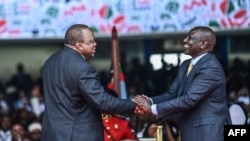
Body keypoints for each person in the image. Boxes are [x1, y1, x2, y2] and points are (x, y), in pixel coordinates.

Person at [133, 26, 232, 141]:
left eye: (190, 37)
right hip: (190, 130)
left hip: (208, 133)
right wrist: (149, 101)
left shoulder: (210, 67)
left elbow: (189, 100)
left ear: (203, 43)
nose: (185, 40)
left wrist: (151, 109)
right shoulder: (185, 65)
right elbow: (172, 94)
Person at [41, 24, 137, 141]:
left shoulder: (50, 62)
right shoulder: (83, 68)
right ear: (79, 45)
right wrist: (134, 106)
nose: (95, 44)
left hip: (52, 135)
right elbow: (102, 101)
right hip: (79, 135)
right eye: (91, 42)